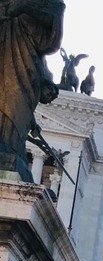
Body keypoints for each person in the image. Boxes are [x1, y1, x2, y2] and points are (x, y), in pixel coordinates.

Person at [0, 0, 65, 182]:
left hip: (24, 66)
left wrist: (23, 8)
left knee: (16, 109)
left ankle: (10, 149)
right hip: (5, 54)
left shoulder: (46, 5)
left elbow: (50, 41)